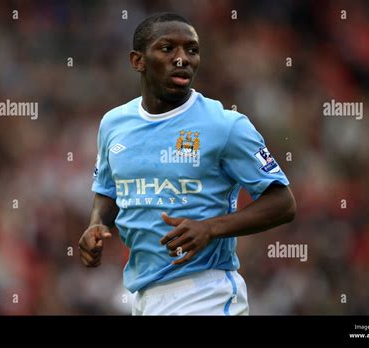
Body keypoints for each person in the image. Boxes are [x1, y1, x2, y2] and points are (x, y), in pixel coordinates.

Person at [78, 12, 296, 315]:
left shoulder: (225, 125)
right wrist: (96, 225)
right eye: (167, 49)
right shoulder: (114, 124)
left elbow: (283, 203)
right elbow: (108, 190)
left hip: (205, 293)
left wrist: (210, 228)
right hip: (144, 296)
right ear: (137, 61)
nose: (182, 58)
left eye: (191, 50)